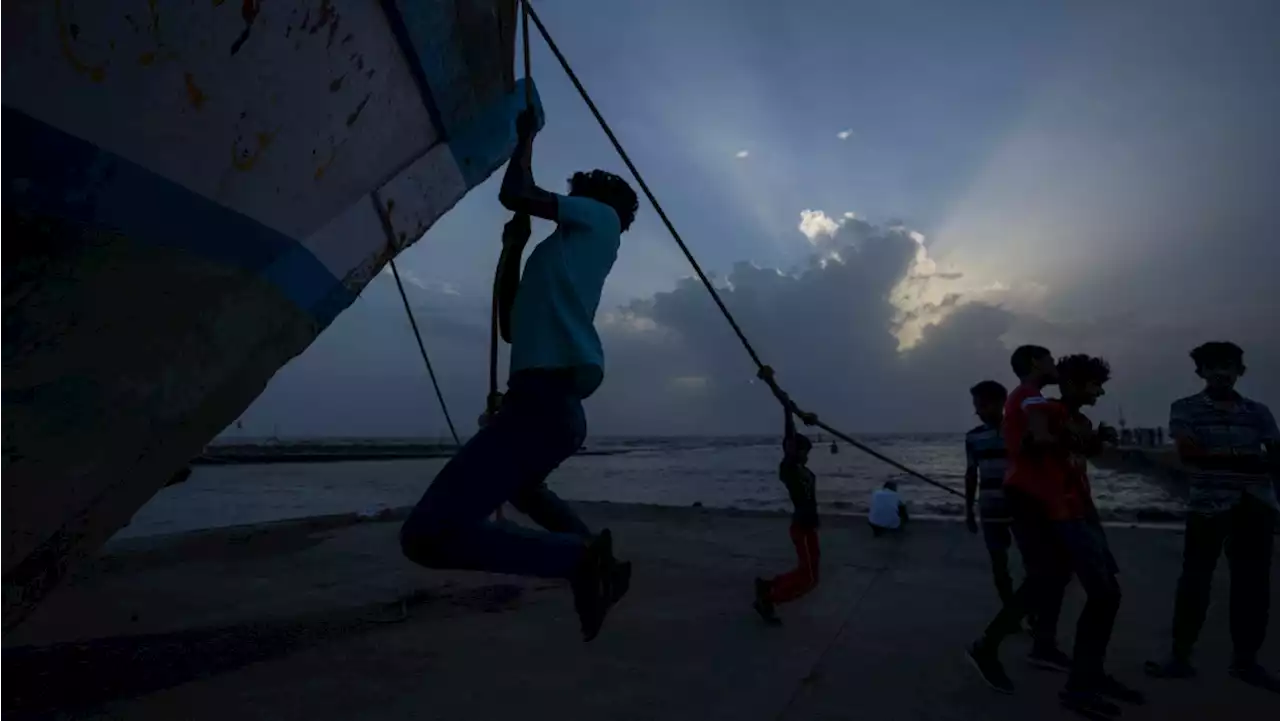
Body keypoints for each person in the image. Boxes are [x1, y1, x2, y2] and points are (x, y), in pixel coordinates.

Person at [398, 108, 639, 642]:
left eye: (576, 194)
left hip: (543, 403)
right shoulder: (559, 255)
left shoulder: (601, 223)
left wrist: (525, 136)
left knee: (427, 536)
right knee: (526, 491)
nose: (569, 200)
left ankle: (582, 559)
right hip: (547, 407)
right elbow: (510, 323)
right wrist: (513, 248)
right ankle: (604, 564)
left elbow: (518, 191)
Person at [968, 352, 1143, 713]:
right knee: (1098, 593)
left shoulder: (1072, 416)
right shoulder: (1039, 406)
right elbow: (1034, 443)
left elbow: (1080, 453)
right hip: (1055, 510)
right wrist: (1072, 438)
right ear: (1072, 383)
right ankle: (1079, 682)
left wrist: (1095, 439)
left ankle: (1073, 669)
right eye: (1095, 385)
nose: (1100, 393)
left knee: (1061, 583)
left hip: (1078, 509)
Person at [1145, 342, 1280, 691]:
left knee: (1253, 587)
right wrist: (1246, 458)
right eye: (1213, 366)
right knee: (1194, 584)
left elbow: (1275, 458)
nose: (1221, 372)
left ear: (1240, 371)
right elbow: (1189, 454)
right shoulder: (1186, 408)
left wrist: (1220, 456)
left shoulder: (1259, 411)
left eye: (1228, 366)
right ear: (1200, 371)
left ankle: (1246, 660)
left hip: (1256, 506)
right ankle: (1179, 656)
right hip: (1208, 506)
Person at [753, 386, 821, 625]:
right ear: (794, 450)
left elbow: (794, 436)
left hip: (809, 526)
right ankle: (770, 600)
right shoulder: (789, 469)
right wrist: (788, 410)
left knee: (810, 571)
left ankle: (768, 586)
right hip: (801, 527)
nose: (807, 455)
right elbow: (790, 435)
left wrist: (805, 416)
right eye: (805, 451)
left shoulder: (802, 469)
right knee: (810, 579)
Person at [964, 380, 1018, 609]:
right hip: (989, 510)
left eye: (984, 405)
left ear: (1001, 403)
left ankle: (1033, 611)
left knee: (1035, 562)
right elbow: (971, 474)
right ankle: (1010, 609)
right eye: (977, 406)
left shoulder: (1018, 430)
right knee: (999, 564)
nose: (979, 411)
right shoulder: (973, 437)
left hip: (1021, 507)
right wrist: (968, 511)